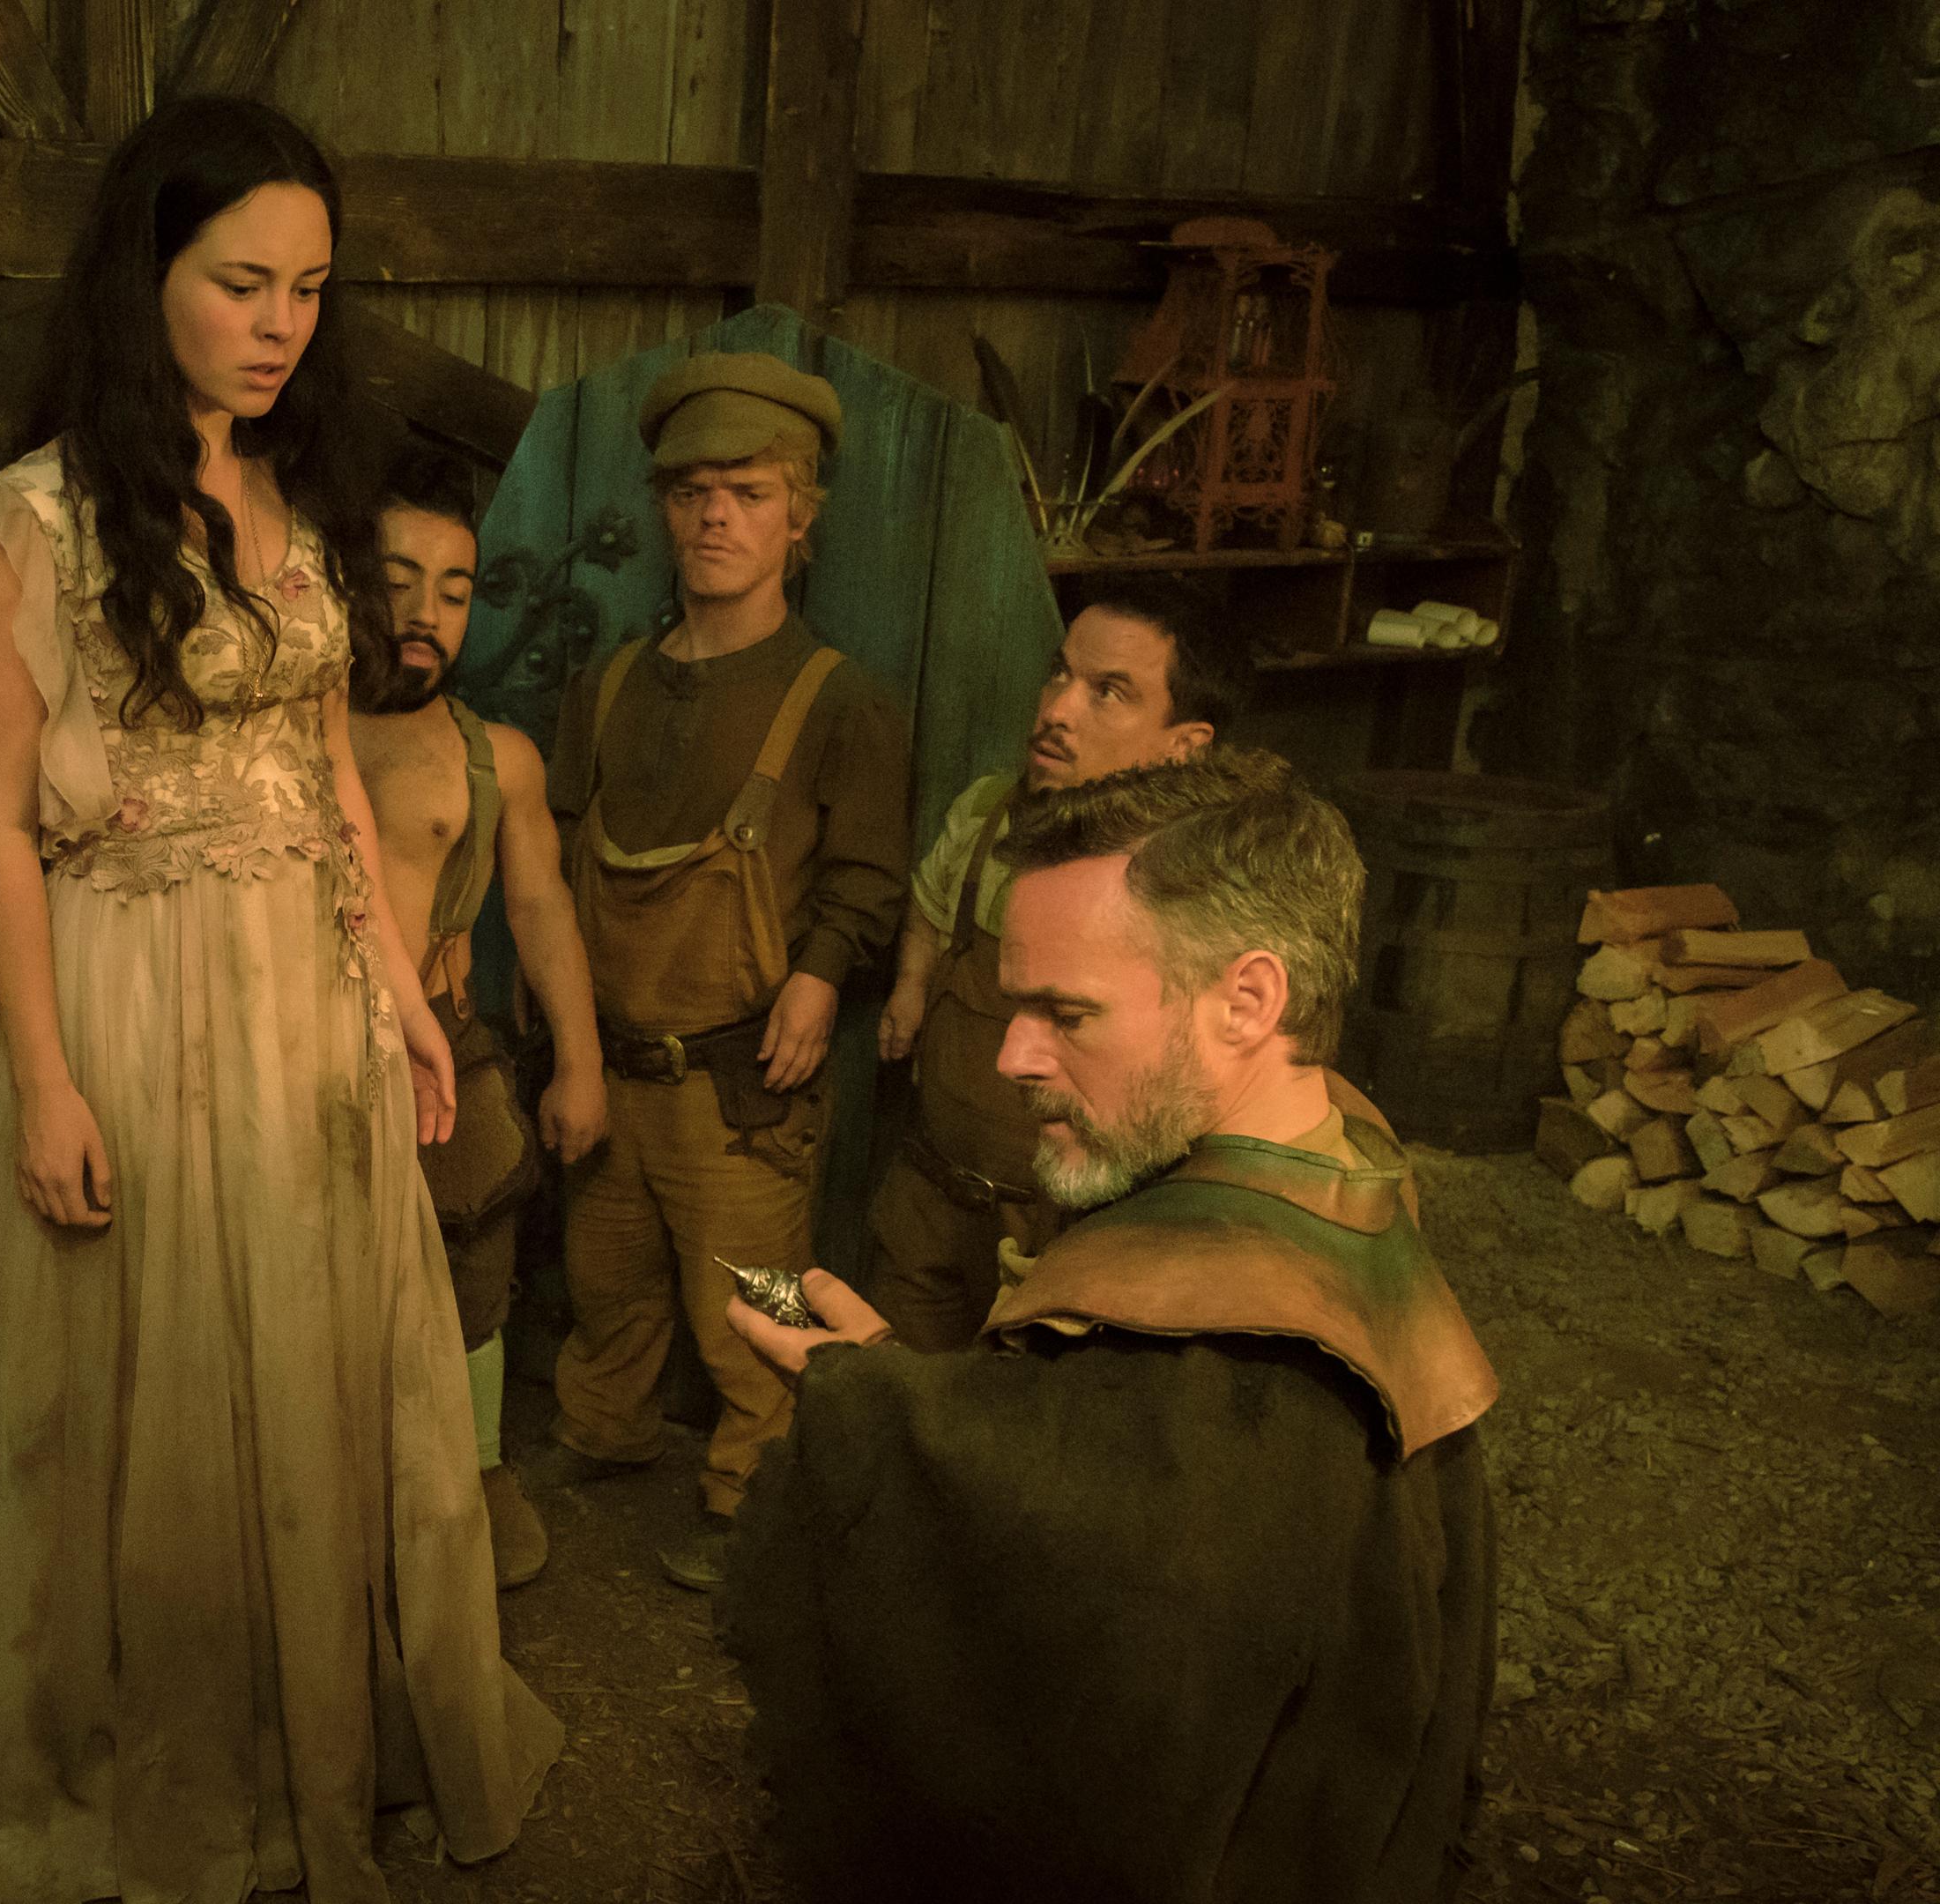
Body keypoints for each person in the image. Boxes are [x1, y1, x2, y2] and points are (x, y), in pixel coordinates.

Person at [0, 93, 560, 1904]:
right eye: (241, 283)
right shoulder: (27, 523)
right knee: (160, 1382)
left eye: (309, 288)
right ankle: (170, 1770)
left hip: (310, 985)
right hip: (133, 991)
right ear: (145, 276)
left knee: (323, 1357)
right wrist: (46, 1079)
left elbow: (330, 770)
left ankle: (326, 1741)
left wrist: (405, 989)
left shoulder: (292, 494)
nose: (282, 324)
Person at [721, 748, 1498, 1903]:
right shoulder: (1341, 1156)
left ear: (1249, 1000)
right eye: (1015, 1002)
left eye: (1067, 1012)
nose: (1013, 1055)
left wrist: (865, 1411)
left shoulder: (1230, 1365)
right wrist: (895, 1371)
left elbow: (1084, 1735)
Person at [539, 352, 913, 1591]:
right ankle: (604, 1429)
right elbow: (553, 865)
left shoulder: (840, 701)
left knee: (758, 1308)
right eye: (691, 491)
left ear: (801, 519)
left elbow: (869, 879)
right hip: (611, 1064)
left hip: (739, 1087)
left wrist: (821, 974)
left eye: (750, 493)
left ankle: (755, 1497)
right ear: (662, 508)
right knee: (606, 1280)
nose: (715, 516)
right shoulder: (608, 687)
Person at [866, 579, 1248, 1350]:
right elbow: (931, 907)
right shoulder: (987, 817)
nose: (1058, 710)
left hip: (1068, 1236)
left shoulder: (1204, 890)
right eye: (1059, 674)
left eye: (1109, 692)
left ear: (1184, 744)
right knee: (894, 1384)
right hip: (932, 1197)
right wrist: (910, 986)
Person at [349, 446, 605, 1589]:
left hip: (446, 1053)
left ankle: (480, 1474)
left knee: (470, 1270)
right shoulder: (281, 741)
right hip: (301, 1057)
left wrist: (581, 1064)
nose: (425, 614)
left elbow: (542, 911)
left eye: (454, 593)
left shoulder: (495, 760)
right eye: (398, 581)